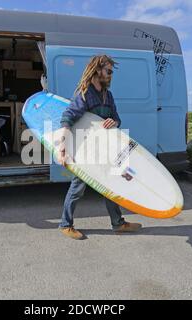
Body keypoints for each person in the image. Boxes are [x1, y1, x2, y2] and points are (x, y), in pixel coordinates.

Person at [57, 55, 142, 240]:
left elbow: (117, 119)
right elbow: (67, 117)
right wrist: (62, 148)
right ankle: (65, 224)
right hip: (85, 149)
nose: (111, 75)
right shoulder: (84, 94)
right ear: (97, 70)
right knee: (77, 188)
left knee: (111, 185)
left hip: (105, 148)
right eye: (109, 71)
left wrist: (114, 121)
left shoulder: (107, 95)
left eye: (112, 72)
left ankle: (118, 223)